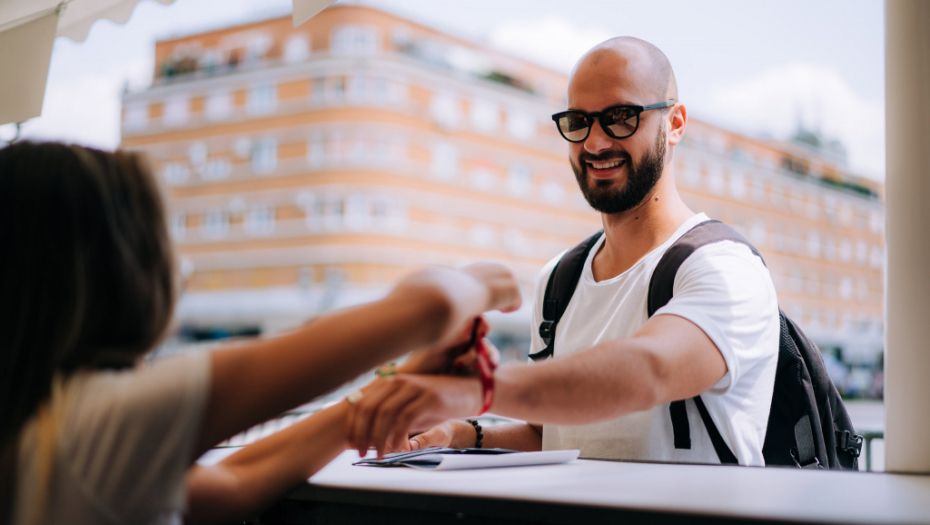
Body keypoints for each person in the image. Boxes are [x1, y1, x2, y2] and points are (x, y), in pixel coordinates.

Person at [0, 141, 522, 524]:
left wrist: (391, 390)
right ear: (116, 271)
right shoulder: (99, 423)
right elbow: (430, 306)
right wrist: (486, 281)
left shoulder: (44, 428)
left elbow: (236, 483)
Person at [346, 36, 780, 466]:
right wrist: (464, 433)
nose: (595, 143)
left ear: (676, 123)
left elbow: (647, 371)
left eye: (620, 117)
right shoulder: (560, 278)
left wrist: (475, 388)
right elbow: (555, 434)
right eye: (579, 121)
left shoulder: (724, 266)